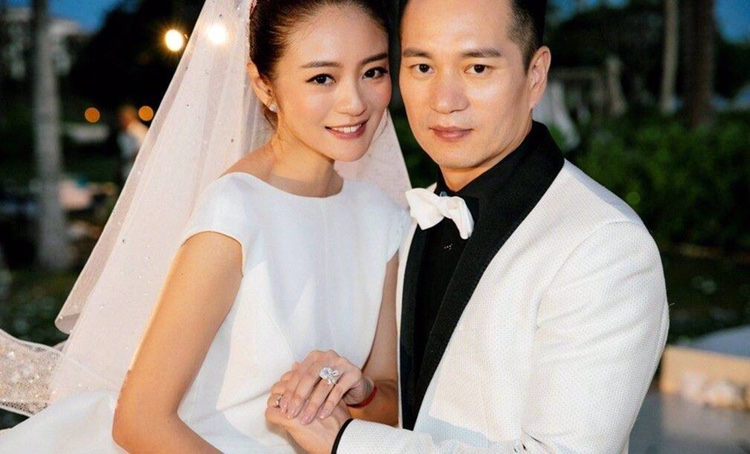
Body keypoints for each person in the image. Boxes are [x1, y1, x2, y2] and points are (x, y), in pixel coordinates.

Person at [0, 0, 410, 452]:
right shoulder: (237, 212)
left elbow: (389, 402)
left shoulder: (382, 218)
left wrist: (360, 392)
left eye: (373, 72)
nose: (355, 102)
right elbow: (139, 420)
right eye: (322, 78)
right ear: (264, 85)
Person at [266, 0, 670, 452]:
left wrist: (347, 441)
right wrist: (367, 399)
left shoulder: (606, 246)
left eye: (477, 68)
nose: (444, 101)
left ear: (535, 75)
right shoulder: (419, 215)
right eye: (422, 67)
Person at [115, 104, 148, 185]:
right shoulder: (122, 134)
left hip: (140, 172)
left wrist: (127, 160)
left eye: (124, 118)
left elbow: (142, 151)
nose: (121, 121)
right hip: (128, 172)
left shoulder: (139, 131)